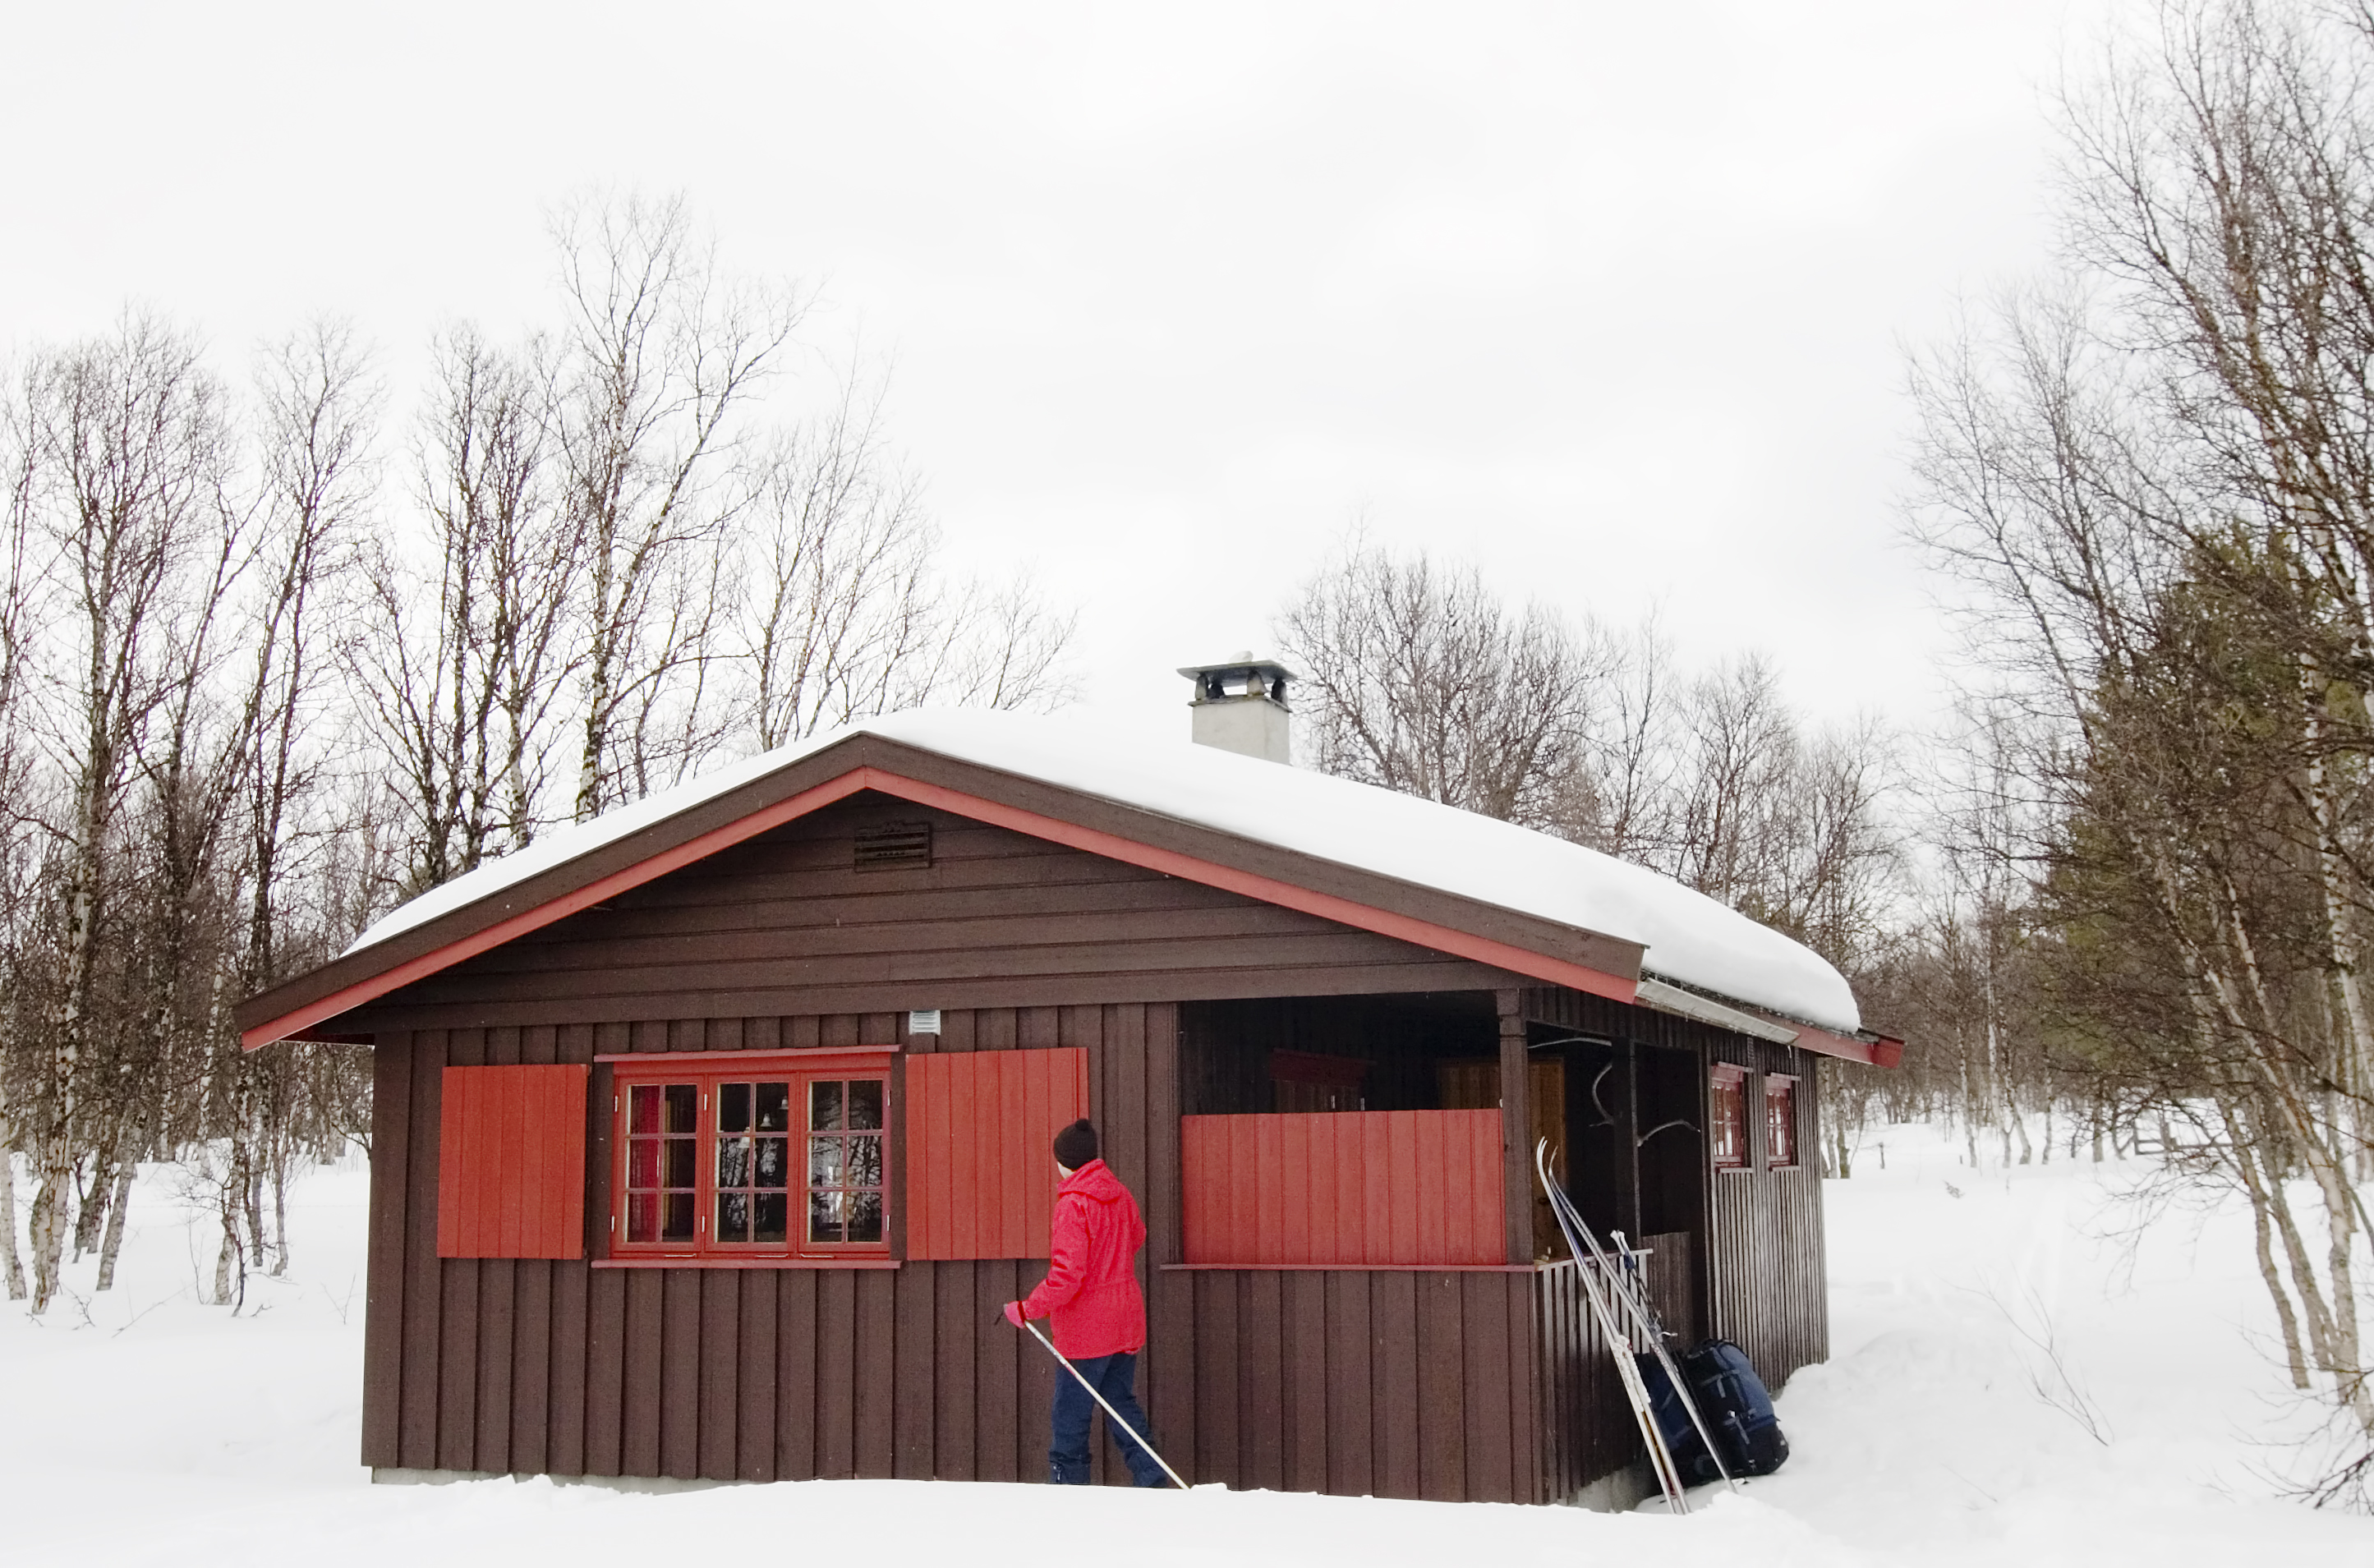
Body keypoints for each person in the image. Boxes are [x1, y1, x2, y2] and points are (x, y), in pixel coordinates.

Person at [1002, 1118, 1167, 1486]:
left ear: (1065, 1162)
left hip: (1087, 1331)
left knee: (1070, 1418)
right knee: (1120, 1404)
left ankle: (1069, 1492)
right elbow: (1136, 1236)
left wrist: (1027, 1309)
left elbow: (1066, 1277)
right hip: (1125, 1321)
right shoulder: (1119, 1193)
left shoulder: (1073, 1204)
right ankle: (1153, 1478)